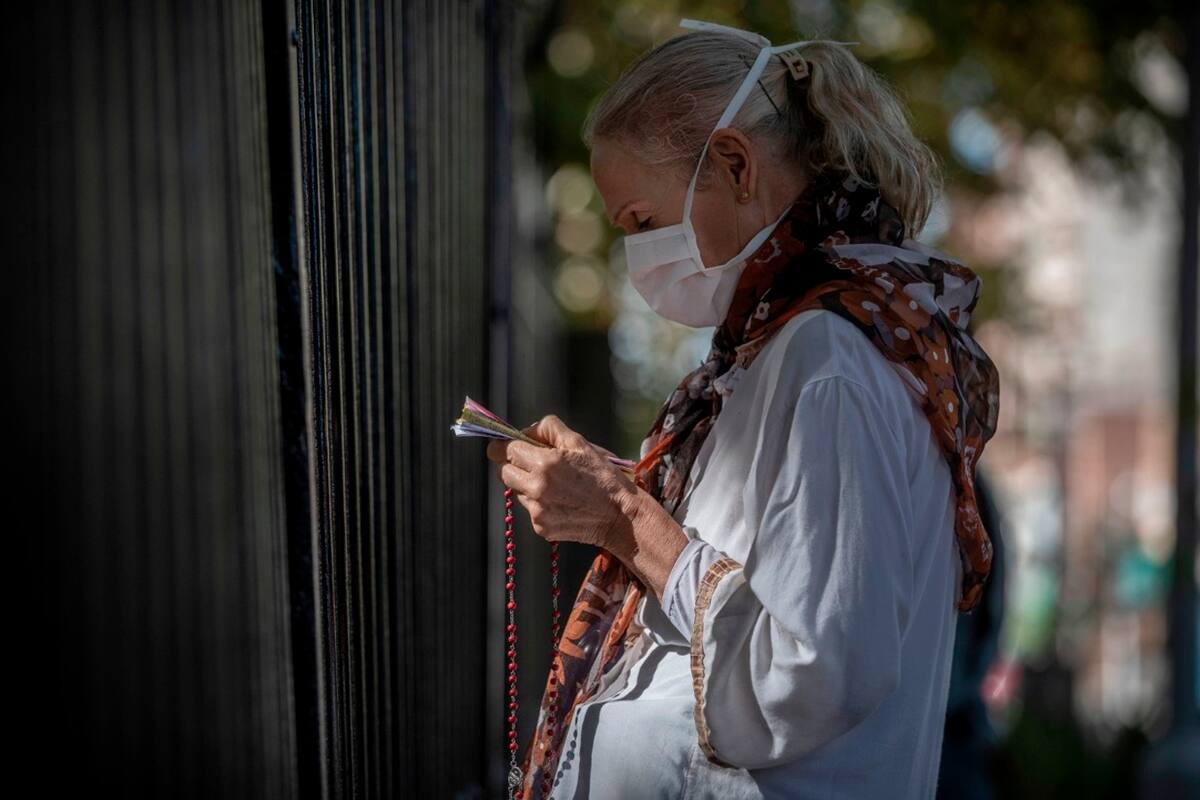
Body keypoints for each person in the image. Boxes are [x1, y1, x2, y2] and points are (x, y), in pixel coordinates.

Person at [487, 18, 1000, 800]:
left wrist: (626, 517)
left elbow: (816, 669)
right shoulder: (787, 348)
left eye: (642, 223)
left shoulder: (829, 358)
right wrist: (609, 496)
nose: (636, 258)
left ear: (733, 163)